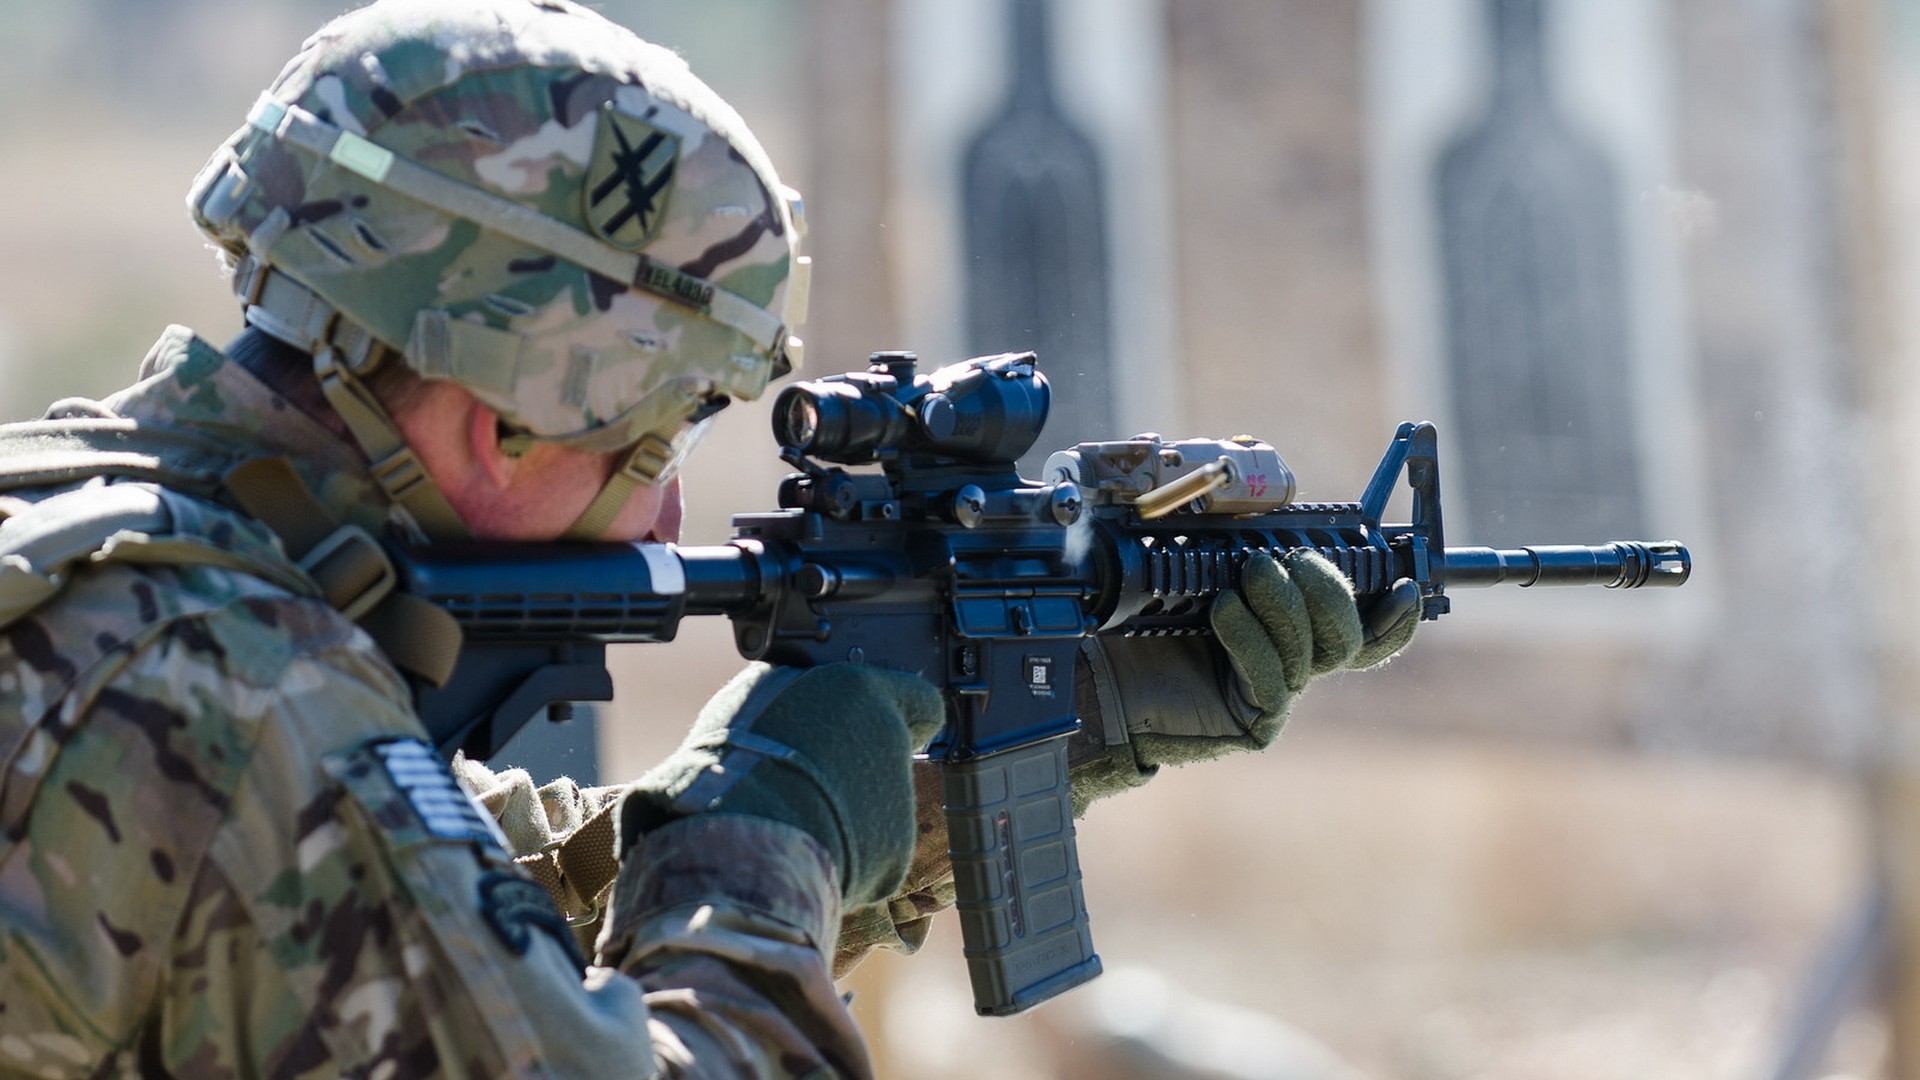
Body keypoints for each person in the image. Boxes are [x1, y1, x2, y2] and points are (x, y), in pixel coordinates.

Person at [0, 1, 1417, 1076]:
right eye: (659, 443)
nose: (668, 515)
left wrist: (1070, 718)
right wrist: (777, 817)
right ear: (506, 427)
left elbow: (489, 924)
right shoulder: (242, 699)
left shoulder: (100, 564)